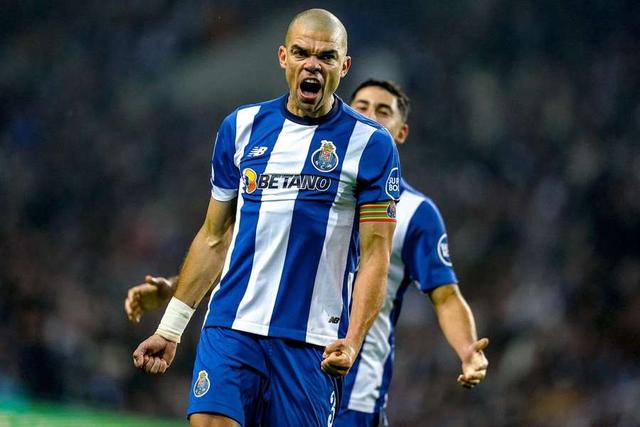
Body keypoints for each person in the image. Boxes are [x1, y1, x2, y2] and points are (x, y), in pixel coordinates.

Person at [127, 79, 489, 426]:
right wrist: (175, 289)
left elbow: (445, 295)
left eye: (383, 111)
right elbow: (250, 247)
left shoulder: (414, 213)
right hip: (260, 339)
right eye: (363, 106)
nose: (370, 116)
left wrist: (467, 349)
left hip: (349, 377)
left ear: (401, 131)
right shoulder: (291, 162)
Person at [130, 9, 400, 427]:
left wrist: (352, 340)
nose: (312, 64)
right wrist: (171, 327)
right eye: (301, 52)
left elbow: (376, 256)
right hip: (232, 326)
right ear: (283, 57)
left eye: (326, 56)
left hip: (311, 343)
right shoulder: (241, 127)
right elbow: (214, 236)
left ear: (344, 66)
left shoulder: (371, 145)